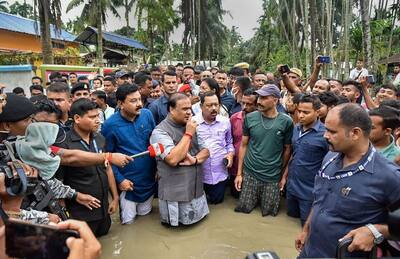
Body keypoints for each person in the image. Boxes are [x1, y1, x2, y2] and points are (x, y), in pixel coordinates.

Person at [296, 103, 400, 258]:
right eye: (325, 129)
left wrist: (376, 231)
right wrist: (306, 230)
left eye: (332, 131)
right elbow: (320, 200)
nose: (325, 135)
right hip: (310, 251)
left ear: (355, 133)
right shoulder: (330, 157)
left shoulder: (389, 176)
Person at [56, 99, 119, 237]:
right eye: (92, 117)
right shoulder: (64, 145)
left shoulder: (99, 138)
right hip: (80, 213)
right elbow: (58, 182)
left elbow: (107, 169)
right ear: (77, 119)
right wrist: (64, 213)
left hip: (103, 209)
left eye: (98, 116)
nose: (98, 121)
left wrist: (114, 198)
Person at [150, 93, 210, 226]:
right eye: (184, 109)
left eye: (190, 108)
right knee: (176, 229)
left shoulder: (191, 125)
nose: (189, 112)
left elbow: (206, 151)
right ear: (171, 109)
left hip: (196, 190)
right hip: (175, 195)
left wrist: (194, 160)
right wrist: (188, 133)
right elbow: (173, 159)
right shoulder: (159, 132)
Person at [234, 85, 293, 216]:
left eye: (264, 98)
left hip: (272, 175)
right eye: (259, 97)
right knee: (243, 209)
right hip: (250, 172)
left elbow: (288, 150)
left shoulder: (286, 122)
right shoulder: (250, 118)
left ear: (275, 100)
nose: (259, 101)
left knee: (270, 212)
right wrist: (239, 174)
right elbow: (244, 145)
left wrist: (281, 173)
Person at [102, 84, 156, 225]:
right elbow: (107, 157)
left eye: (139, 99)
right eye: (133, 101)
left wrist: (158, 169)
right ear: (120, 103)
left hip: (149, 181)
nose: (139, 104)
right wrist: (120, 180)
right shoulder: (109, 125)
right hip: (128, 184)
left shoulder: (147, 115)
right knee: (129, 224)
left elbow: (154, 143)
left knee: (146, 220)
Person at [281, 94, 329, 226]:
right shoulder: (296, 128)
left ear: (317, 112)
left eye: (306, 112)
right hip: (292, 186)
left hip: (310, 191)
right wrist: (284, 177)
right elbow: (293, 155)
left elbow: (331, 163)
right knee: (290, 218)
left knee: (306, 225)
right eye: (299, 111)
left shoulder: (325, 134)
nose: (301, 115)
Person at [194, 92, 234, 204]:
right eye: (209, 105)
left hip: (219, 173)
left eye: (216, 105)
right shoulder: (192, 123)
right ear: (201, 106)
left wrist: (230, 155)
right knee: (199, 204)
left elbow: (229, 143)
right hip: (199, 174)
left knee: (217, 201)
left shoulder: (225, 121)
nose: (214, 108)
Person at [229, 88, 258, 198]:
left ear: (257, 105)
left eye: (249, 104)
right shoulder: (234, 118)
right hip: (236, 166)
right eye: (243, 103)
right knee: (235, 195)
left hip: (253, 167)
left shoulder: (262, 121)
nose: (245, 107)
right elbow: (229, 141)